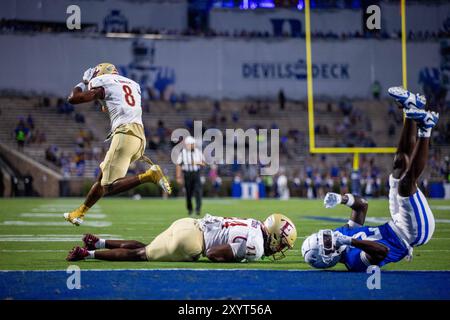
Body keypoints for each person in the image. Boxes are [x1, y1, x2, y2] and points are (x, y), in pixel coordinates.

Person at [301, 87, 439, 271]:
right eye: (326, 243)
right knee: (405, 186)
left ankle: (411, 109)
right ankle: (426, 128)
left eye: (324, 236)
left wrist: (342, 199)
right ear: (329, 258)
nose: (330, 238)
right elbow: (381, 251)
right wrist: (351, 241)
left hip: (395, 222)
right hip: (411, 234)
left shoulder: (339, 235)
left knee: (398, 168)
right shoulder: (353, 262)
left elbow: (362, 205)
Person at [63, 63, 171, 226]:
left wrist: (83, 83)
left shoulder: (102, 83)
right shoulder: (132, 85)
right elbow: (115, 103)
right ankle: (79, 213)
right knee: (101, 180)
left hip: (125, 134)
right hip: (139, 137)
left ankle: (149, 175)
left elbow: (74, 98)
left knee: (108, 186)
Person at [66, 213, 297, 263]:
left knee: (148, 248)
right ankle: (88, 254)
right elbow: (212, 253)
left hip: (189, 223)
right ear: (275, 236)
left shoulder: (256, 225)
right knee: (141, 255)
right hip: (193, 241)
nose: (279, 249)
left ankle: (99, 242)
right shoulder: (255, 246)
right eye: (281, 244)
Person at [176, 136, 205, 216]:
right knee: (188, 193)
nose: (193, 145)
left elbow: (204, 163)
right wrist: (178, 177)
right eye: (192, 144)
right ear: (187, 144)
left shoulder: (198, 152)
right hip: (187, 174)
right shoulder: (183, 153)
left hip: (196, 174)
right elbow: (178, 165)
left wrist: (196, 162)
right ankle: (190, 209)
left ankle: (198, 209)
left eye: (193, 144)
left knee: (198, 191)